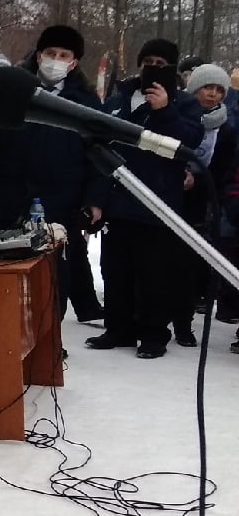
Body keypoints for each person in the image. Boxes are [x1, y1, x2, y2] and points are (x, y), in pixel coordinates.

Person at [0, 25, 107, 323]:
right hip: (11, 193)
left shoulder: (85, 102)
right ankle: (7, 329)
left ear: (74, 62)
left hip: (62, 199)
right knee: (9, 265)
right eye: (50, 53)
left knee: (56, 271)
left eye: (63, 55)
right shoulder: (12, 91)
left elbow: (98, 155)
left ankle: (49, 333)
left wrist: (94, 198)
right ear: (39, 55)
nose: (55, 59)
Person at [86, 39, 202, 359]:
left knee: (154, 274)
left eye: (162, 63)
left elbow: (189, 141)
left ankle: (153, 335)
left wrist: (164, 110)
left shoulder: (184, 103)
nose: (153, 67)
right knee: (115, 269)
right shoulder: (120, 96)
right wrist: (96, 198)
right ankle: (118, 328)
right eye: (148, 60)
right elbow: (100, 146)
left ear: (172, 69)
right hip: (118, 196)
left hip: (158, 201)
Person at [173, 63, 236, 346]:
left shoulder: (227, 129)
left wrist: (199, 183)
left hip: (202, 202)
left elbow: (223, 171)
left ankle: (184, 325)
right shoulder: (176, 116)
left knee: (188, 268)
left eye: (218, 90)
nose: (212, 95)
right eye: (207, 88)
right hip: (168, 195)